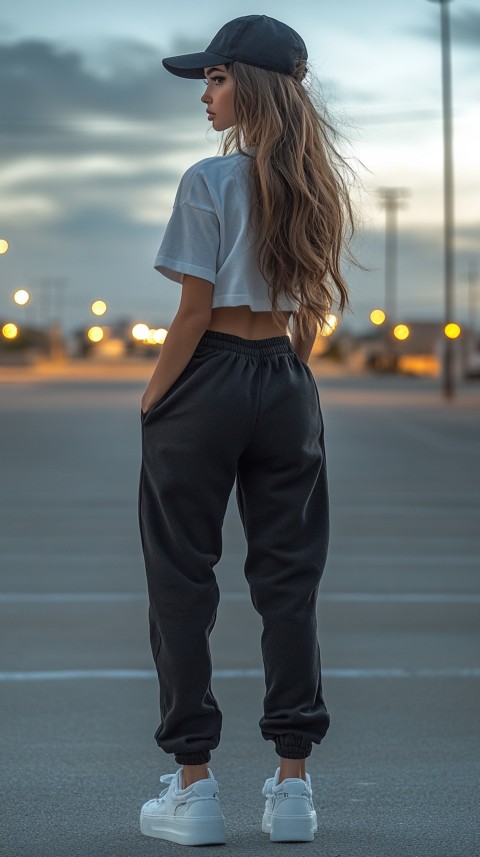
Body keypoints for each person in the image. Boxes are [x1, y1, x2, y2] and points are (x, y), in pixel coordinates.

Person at [138, 13, 355, 846]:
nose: (206, 92)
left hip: (211, 376)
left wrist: (154, 397)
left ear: (252, 86)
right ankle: (292, 787)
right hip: (286, 382)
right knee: (289, 581)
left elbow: (194, 311)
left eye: (218, 77)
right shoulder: (318, 185)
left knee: (182, 581)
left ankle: (193, 788)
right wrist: (289, 381)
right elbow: (308, 312)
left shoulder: (209, 179)